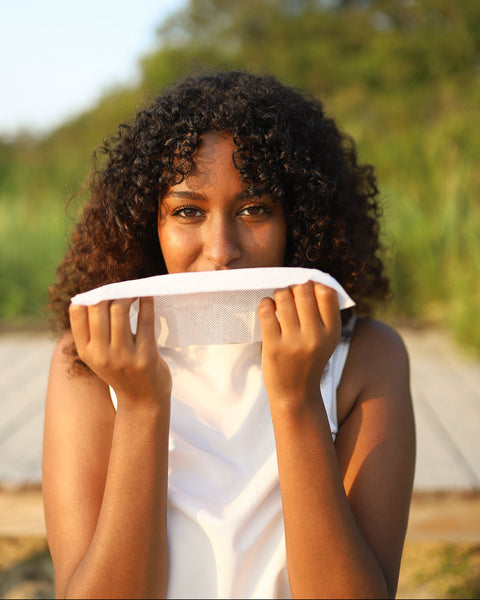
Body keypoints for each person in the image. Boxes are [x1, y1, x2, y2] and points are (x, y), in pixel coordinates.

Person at [43, 70, 415, 599]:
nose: (221, 249)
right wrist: (141, 405)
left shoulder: (365, 357)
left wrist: (295, 400)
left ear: (300, 221)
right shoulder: (91, 358)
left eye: (255, 209)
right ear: (149, 223)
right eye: (188, 211)